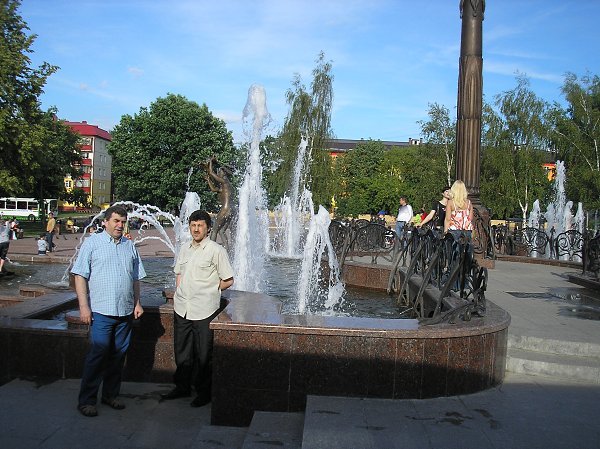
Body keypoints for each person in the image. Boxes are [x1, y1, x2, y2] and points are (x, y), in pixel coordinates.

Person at [71, 205, 146, 417]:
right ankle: (87, 400)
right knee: (98, 355)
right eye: (116, 221)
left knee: (118, 356)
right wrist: (84, 307)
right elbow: (80, 275)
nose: (120, 225)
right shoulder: (92, 243)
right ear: (105, 222)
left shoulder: (129, 246)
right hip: (101, 312)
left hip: (125, 311)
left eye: (123, 222)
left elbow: (135, 278)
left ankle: (110, 395)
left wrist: (137, 303)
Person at [161, 210, 234, 407]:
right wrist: (180, 291)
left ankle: (204, 392)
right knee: (182, 350)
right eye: (193, 225)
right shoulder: (185, 249)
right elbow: (179, 272)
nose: (196, 229)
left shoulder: (216, 251)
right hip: (182, 307)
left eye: (200, 225)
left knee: (204, 354)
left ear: (208, 228)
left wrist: (210, 290)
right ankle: (182, 387)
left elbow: (228, 280)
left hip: (205, 309)